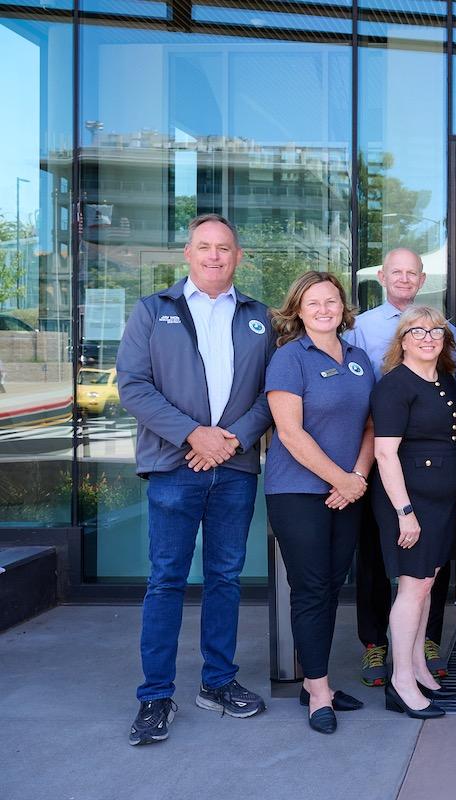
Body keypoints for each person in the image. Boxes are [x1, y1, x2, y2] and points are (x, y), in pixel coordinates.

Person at [117, 214, 274, 746]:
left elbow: (270, 395)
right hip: (173, 468)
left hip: (233, 468)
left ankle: (218, 682)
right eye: (204, 247)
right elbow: (134, 387)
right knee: (166, 581)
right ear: (187, 253)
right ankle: (155, 695)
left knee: (225, 579)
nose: (214, 256)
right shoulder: (151, 310)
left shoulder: (259, 318)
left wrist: (228, 440)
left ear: (238, 256)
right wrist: (193, 436)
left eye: (224, 248)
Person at [264, 271, 375, 735]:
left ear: (343, 307)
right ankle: (319, 690)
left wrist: (358, 478)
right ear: (298, 311)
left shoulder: (359, 358)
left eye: (331, 301)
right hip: (298, 493)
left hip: (347, 491)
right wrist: (341, 480)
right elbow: (289, 433)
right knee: (310, 590)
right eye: (314, 304)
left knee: (331, 588)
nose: (324, 309)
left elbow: (372, 426)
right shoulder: (290, 359)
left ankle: (317, 681)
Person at [344, 248, 456, 685]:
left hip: (432, 476)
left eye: (413, 273)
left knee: (427, 575)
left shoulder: (443, 335)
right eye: (398, 272)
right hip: (383, 455)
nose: (405, 279)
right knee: (380, 562)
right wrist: (401, 505)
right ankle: (380, 650)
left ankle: (419, 652)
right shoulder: (360, 329)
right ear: (382, 275)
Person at [371, 305, 456, 720]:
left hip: (442, 502)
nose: (428, 338)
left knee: (426, 584)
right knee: (413, 588)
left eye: (436, 332)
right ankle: (401, 681)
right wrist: (405, 512)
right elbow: (385, 454)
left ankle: (420, 669)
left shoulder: (446, 381)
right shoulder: (394, 386)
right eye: (417, 331)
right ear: (403, 340)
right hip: (408, 502)